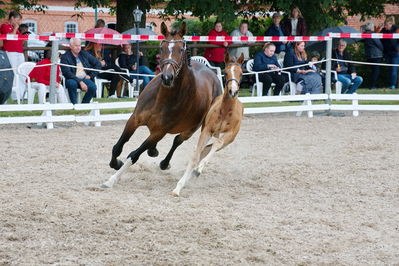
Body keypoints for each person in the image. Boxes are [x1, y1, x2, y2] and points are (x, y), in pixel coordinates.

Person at [60, 38, 101, 104]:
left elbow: (98, 64)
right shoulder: (65, 57)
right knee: (71, 84)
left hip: (85, 78)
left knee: (93, 87)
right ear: (70, 46)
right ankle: (74, 105)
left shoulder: (84, 54)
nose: (78, 47)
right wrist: (80, 82)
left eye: (79, 45)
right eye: (76, 46)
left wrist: (90, 76)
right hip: (72, 78)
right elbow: (67, 73)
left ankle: (84, 104)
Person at [0, 11, 25, 101]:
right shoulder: (5, 26)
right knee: (14, 72)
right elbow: (10, 37)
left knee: (21, 71)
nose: (19, 22)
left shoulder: (16, 28)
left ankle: (22, 94)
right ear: (12, 18)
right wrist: (15, 28)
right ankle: (15, 95)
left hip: (19, 52)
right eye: (18, 20)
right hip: (10, 52)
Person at [379, 16, 399, 89]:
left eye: (386, 25)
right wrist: (379, 28)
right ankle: (391, 84)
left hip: (395, 53)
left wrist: (397, 48)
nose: (385, 27)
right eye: (385, 25)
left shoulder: (396, 29)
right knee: (390, 70)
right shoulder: (384, 30)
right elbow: (377, 36)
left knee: (394, 70)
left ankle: (393, 85)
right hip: (387, 53)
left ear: (391, 24)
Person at [363, 22, 384, 90]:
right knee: (376, 71)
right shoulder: (372, 34)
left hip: (369, 55)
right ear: (371, 27)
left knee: (373, 71)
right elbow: (379, 44)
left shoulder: (364, 34)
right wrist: (383, 50)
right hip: (376, 55)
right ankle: (372, 86)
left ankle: (371, 85)